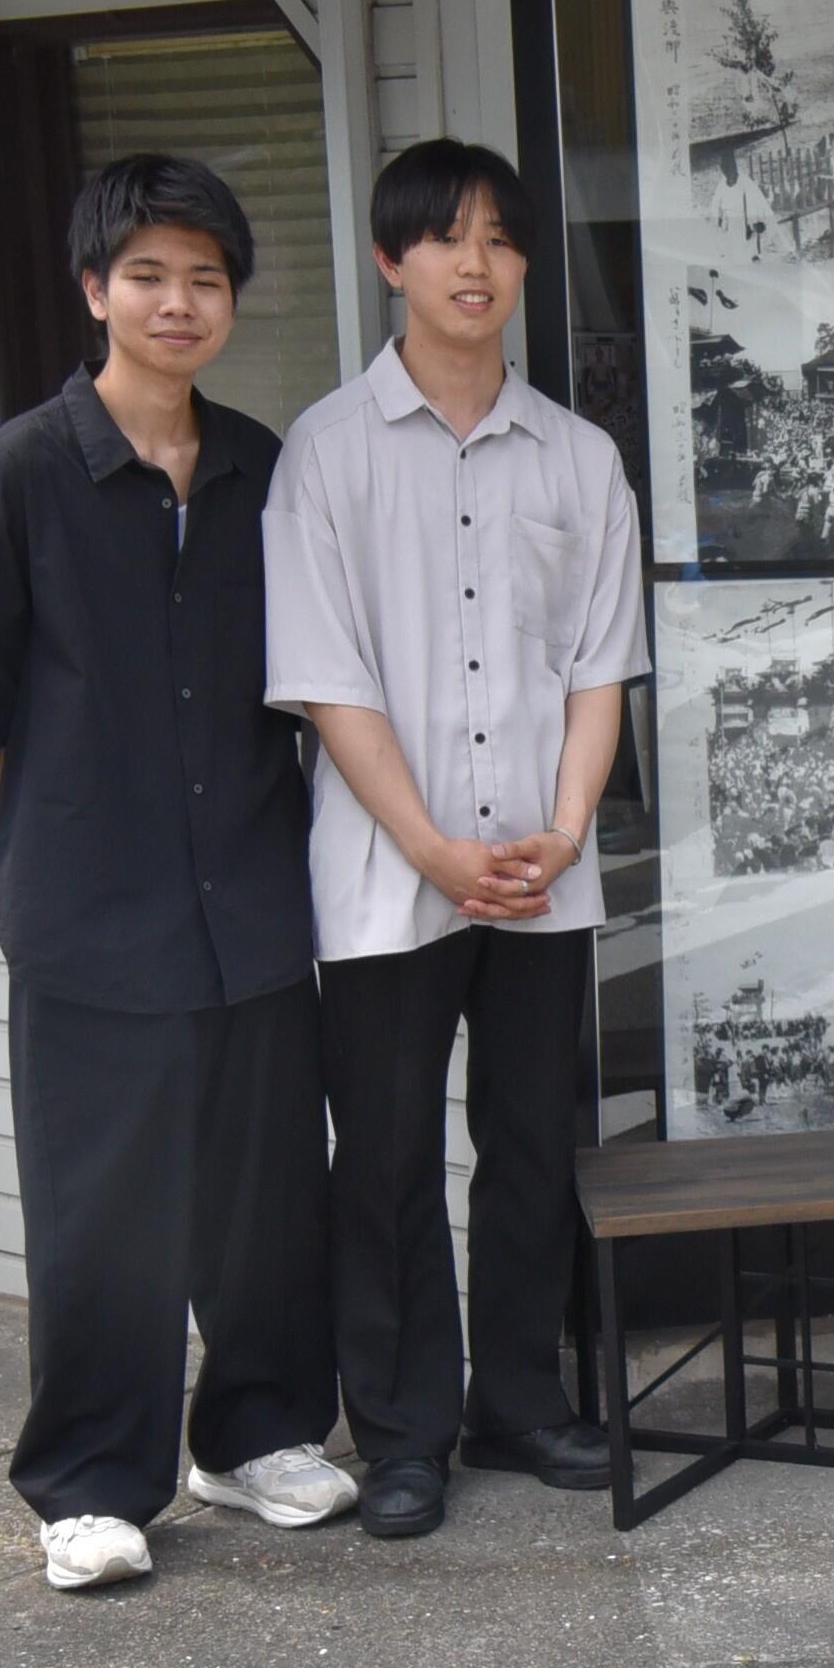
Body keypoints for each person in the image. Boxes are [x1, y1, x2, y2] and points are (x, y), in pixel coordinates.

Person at [0, 155, 353, 1594]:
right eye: (148, 277)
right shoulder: (16, 476)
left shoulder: (260, 468)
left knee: (261, 1197)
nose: (178, 303)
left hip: (249, 899)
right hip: (91, 914)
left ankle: (251, 1437)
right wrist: (91, 832)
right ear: (93, 291)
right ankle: (91, 1481)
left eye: (206, 279)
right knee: (102, 1209)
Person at [264, 141, 651, 1540]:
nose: (473, 264)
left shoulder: (583, 458)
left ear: (525, 263)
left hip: (542, 871)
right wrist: (432, 846)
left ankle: (523, 1404)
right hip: (386, 876)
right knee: (381, 1158)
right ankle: (407, 1427)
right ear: (390, 262)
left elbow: (600, 668)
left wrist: (560, 830)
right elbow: (326, 677)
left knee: (534, 1144)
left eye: (497, 238)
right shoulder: (324, 454)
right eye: (442, 239)